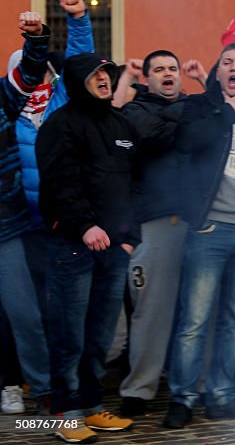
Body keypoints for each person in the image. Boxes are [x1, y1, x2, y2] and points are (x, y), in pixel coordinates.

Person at [163, 43, 235, 428]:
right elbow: (187, 142)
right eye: (228, 62)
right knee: (194, 321)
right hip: (211, 229)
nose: (234, 67)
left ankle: (222, 395)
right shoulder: (200, 106)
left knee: (234, 322)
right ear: (219, 70)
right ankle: (183, 398)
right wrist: (227, 114)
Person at [38, 50, 139, 443]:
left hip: (115, 249)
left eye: (107, 74)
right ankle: (66, 412)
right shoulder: (59, 125)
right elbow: (59, 185)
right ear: (77, 80)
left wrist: (130, 238)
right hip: (74, 247)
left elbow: (134, 185)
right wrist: (84, 227)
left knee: (100, 335)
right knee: (69, 334)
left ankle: (94, 407)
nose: (104, 79)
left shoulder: (121, 123)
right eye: (96, 74)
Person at [116, 51, 187, 417]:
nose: (167, 74)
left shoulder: (193, 106)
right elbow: (151, 136)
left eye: (172, 69)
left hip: (198, 220)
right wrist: (193, 112)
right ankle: (139, 389)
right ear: (147, 79)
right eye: (159, 70)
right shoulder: (135, 112)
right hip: (155, 222)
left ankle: (190, 384)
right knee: (151, 310)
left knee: (196, 310)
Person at [0, 12, 51, 418]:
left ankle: (44, 391)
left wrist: (35, 39)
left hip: (5, 230)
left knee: (25, 315)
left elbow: (30, 74)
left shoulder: (3, 98)